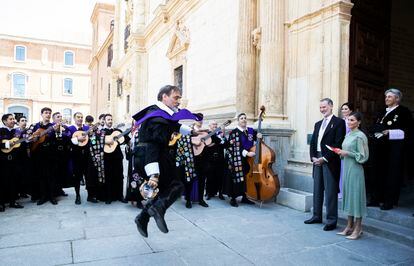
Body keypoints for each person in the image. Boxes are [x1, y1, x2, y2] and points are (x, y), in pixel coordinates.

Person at [133, 85, 201, 238]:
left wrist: (192, 132)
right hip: (152, 157)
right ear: (164, 97)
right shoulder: (156, 116)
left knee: (165, 191)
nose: (178, 101)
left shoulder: (163, 115)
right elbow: (152, 145)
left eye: (179, 98)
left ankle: (142, 218)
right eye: (175, 97)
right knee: (176, 186)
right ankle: (156, 211)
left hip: (159, 157)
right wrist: (154, 174)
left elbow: (174, 125)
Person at [305, 98, 346, 231]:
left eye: (324, 107)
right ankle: (317, 216)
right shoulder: (317, 124)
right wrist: (312, 157)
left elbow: (338, 144)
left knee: (330, 192)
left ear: (331, 106)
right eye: (321, 107)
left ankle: (331, 220)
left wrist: (325, 158)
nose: (322, 109)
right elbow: (313, 142)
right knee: (317, 189)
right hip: (316, 160)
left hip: (330, 162)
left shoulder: (339, 123)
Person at [369, 88, 413, 210]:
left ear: (397, 98)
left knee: (391, 175)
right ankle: (376, 199)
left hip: (393, 150)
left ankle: (389, 201)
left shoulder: (404, 112)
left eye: (389, 97)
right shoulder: (382, 111)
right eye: (386, 97)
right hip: (379, 149)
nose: (386, 98)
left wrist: (390, 132)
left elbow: (408, 131)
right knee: (377, 173)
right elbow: (374, 126)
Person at [336, 112, 369, 240]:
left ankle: (358, 228)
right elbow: (347, 151)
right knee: (349, 197)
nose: (349, 122)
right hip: (347, 168)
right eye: (348, 120)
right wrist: (340, 152)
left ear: (359, 122)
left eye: (352, 120)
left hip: (355, 170)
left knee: (356, 198)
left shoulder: (360, 136)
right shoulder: (348, 134)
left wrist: (347, 153)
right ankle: (349, 226)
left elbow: (363, 156)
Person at [225, 113, 260, 207]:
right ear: (238, 120)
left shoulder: (251, 131)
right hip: (237, 159)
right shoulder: (234, 132)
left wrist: (260, 136)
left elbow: (257, 139)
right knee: (236, 178)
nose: (244, 120)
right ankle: (233, 198)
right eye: (241, 118)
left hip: (248, 159)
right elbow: (236, 146)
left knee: (245, 177)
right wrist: (247, 153)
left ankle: (244, 197)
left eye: (245, 118)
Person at [0, 114, 25, 211]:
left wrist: (27, 139)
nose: (13, 121)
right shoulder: (1, 131)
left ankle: (13, 201)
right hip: (2, 161)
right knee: (2, 182)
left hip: (15, 161)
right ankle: (1, 203)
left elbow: (22, 142)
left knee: (14, 182)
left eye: (14, 119)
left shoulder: (17, 131)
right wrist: (9, 143)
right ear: (4, 121)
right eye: (11, 119)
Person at [102, 114, 128, 204]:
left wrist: (127, 134)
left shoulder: (117, 131)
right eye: (108, 119)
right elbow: (99, 141)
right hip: (107, 157)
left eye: (111, 119)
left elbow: (125, 140)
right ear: (104, 120)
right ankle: (108, 197)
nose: (110, 121)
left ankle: (120, 196)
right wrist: (106, 140)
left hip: (117, 157)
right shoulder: (101, 131)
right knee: (108, 176)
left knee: (119, 176)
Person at [68, 112, 90, 204]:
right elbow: (67, 141)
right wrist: (77, 140)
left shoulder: (87, 128)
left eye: (81, 117)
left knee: (89, 176)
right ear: (74, 118)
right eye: (78, 117)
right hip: (76, 156)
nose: (80, 119)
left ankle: (90, 195)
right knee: (77, 177)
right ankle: (77, 195)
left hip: (87, 156)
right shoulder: (70, 129)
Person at [204, 120, 226, 200]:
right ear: (209, 125)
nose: (215, 125)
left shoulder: (220, 134)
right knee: (210, 177)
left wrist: (222, 138)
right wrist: (219, 140)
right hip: (210, 159)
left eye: (216, 124)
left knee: (220, 176)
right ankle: (209, 193)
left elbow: (224, 145)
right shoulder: (207, 134)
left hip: (220, 158)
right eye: (213, 124)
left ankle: (220, 193)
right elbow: (207, 145)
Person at [338, 102, 353, 198]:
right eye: (342, 109)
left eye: (346, 109)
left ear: (351, 110)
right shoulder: (340, 121)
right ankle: (340, 191)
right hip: (339, 148)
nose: (343, 111)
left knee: (346, 170)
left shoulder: (351, 121)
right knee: (340, 170)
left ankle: (346, 192)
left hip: (347, 148)